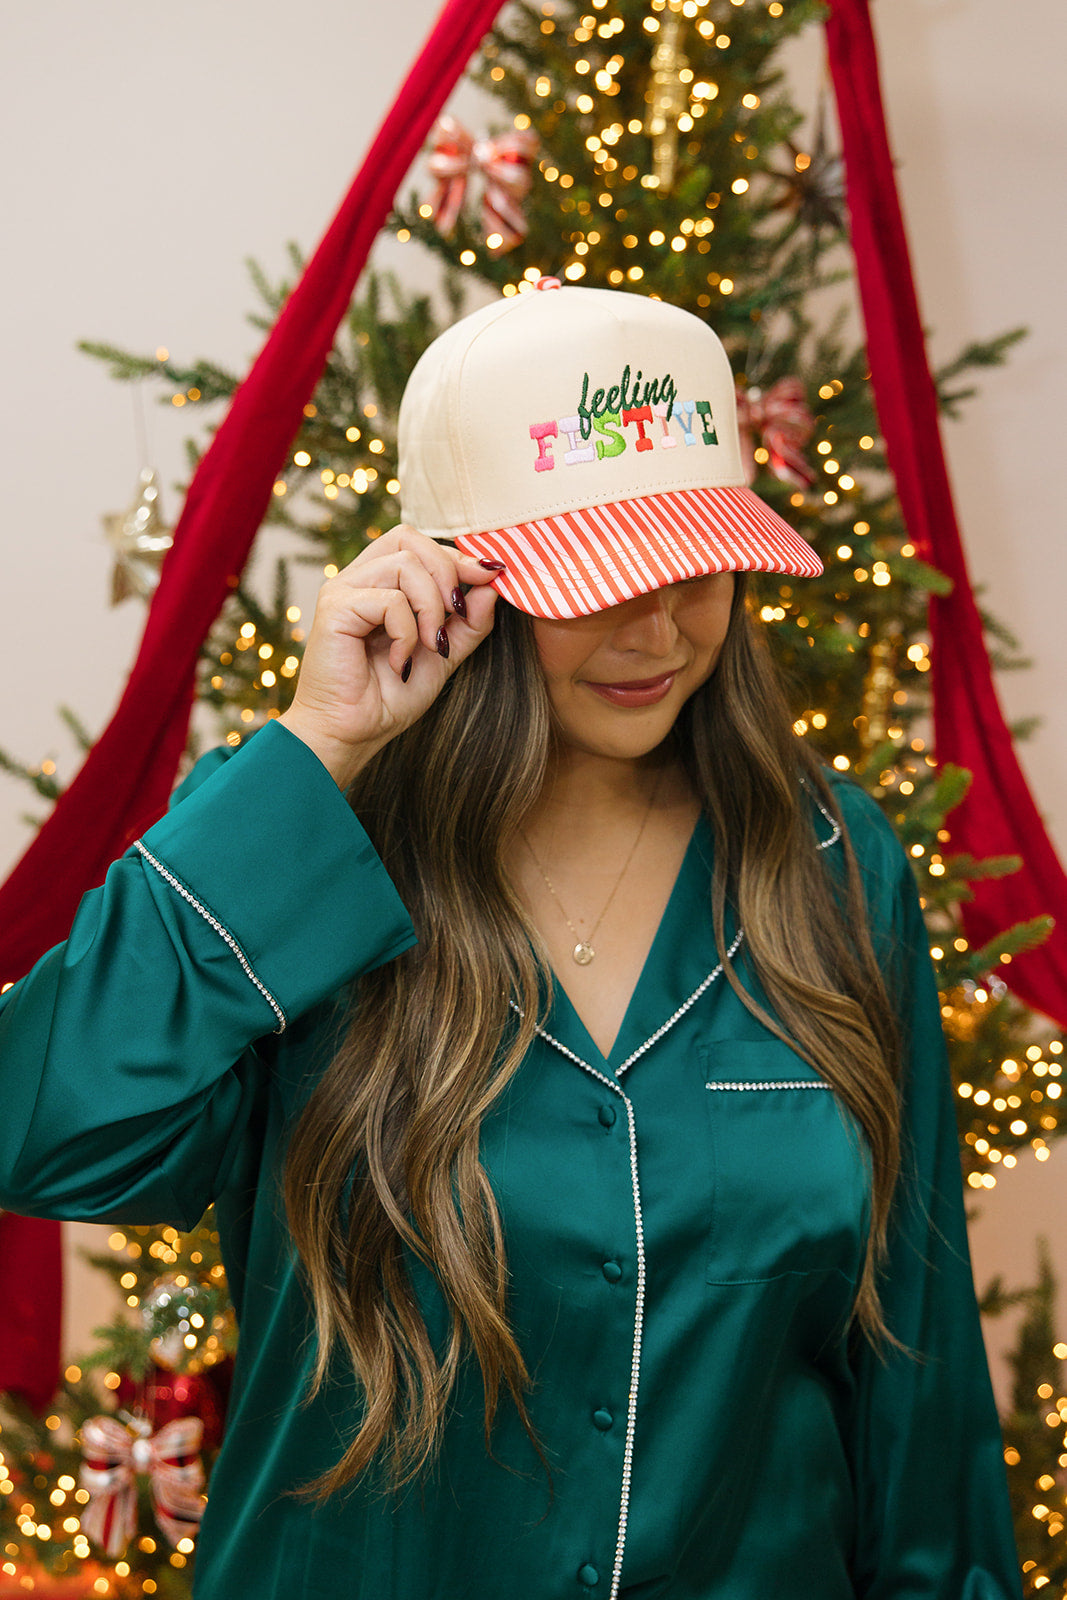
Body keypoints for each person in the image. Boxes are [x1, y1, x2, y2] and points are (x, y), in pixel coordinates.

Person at [0, 281, 1022, 1599]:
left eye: (696, 569)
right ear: (459, 576)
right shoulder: (301, 847)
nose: (656, 633)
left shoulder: (836, 866)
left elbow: (914, 1374)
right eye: (602, 582)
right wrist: (316, 751)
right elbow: (40, 1132)